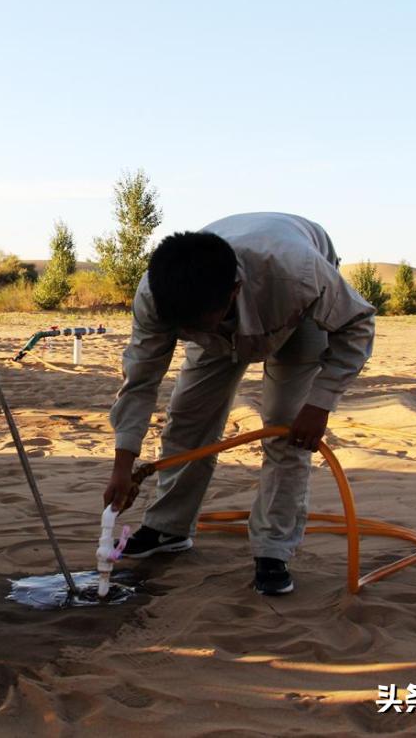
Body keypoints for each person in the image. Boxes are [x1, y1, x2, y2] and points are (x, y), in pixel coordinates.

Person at [103, 212, 375, 596]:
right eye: (185, 328)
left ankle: (273, 551)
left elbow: (357, 324)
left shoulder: (299, 274)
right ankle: (169, 528)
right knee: (187, 420)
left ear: (233, 290)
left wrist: (319, 403)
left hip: (295, 316)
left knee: (287, 427)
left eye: (198, 323)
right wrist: (123, 465)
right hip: (219, 326)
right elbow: (141, 379)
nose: (191, 333)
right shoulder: (159, 296)